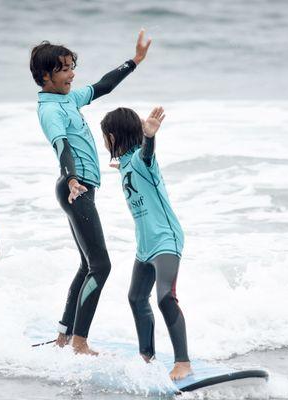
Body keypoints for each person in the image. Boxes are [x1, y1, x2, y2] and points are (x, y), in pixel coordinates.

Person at [30, 30, 151, 355]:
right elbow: (62, 146)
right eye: (65, 69)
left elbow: (103, 86)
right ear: (46, 75)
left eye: (72, 67)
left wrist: (134, 61)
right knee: (101, 265)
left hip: (81, 188)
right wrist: (71, 179)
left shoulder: (68, 99)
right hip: (75, 187)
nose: (72, 74)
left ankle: (64, 336)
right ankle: (80, 342)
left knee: (88, 265)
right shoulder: (50, 110)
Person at [100, 106, 192, 380]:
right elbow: (127, 162)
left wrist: (149, 137)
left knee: (165, 297)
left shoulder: (141, 161)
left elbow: (147, 155)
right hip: (145, 244)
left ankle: (183, 362)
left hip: (165, 239)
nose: (103, 141)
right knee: (136, 297)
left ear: (114, 136)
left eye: (105, 136)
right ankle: (147, 357)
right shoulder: (127, 164)